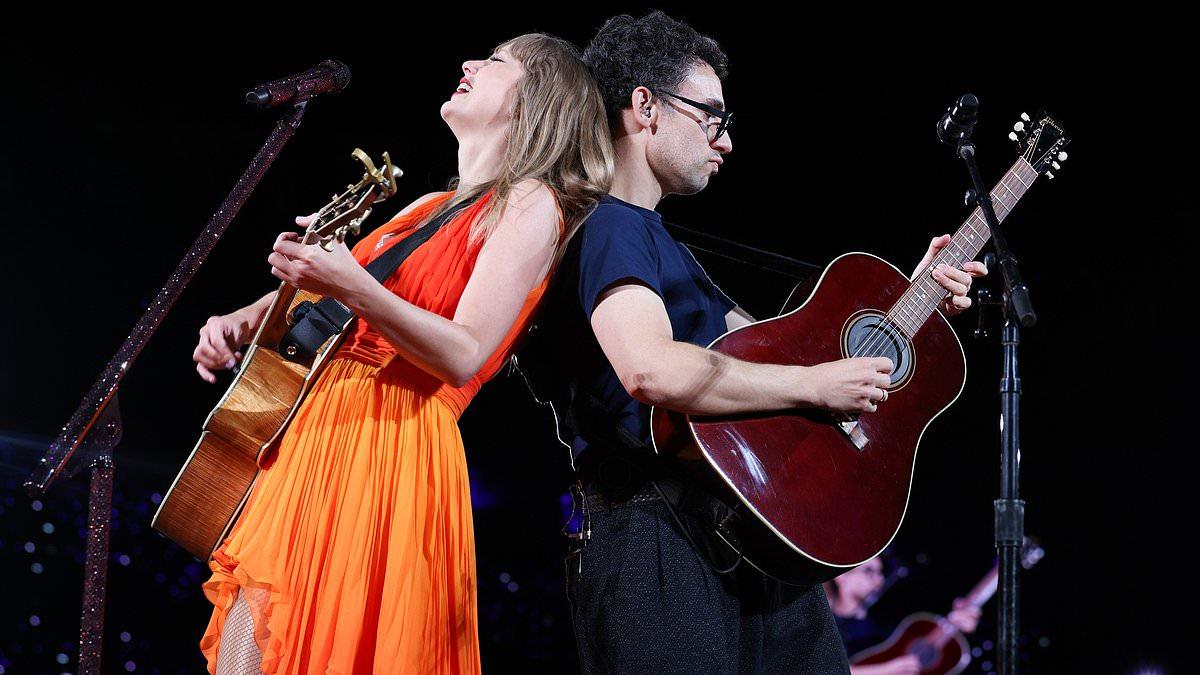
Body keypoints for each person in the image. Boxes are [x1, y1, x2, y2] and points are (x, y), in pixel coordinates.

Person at [522, 11, 988, 673]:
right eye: (711, 115)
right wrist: (814, 385)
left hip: (743, 537)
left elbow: (780, 352)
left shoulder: (661, 244)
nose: (726, 142)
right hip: (655, 537)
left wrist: (913, 297)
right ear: (646, 106)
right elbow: (651, 369)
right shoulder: (610, 228)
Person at [190, 33, 612, 674]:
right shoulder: (424, 208)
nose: (468, 63)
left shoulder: (531, 204)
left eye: (496, 60)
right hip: (316, 435)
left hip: (390, 443)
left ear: (539, 100)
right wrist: (246, 320)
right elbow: (329, 304)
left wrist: (351, 284)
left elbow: (465, 352)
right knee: (256, 655)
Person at [825, 558, 982, 675]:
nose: (879, 579)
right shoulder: (823, 625)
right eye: (869, 571)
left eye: (881, 573)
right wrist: (887, 669)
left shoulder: (886, 626)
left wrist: (958, 627)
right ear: (842, 577)